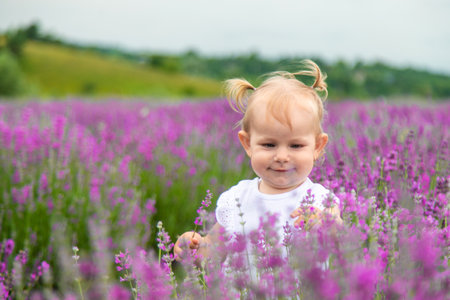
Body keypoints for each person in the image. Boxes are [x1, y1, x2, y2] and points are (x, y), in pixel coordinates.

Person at [174, 60, 342, 262]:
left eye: (295, 146)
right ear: (247, 143)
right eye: (269, 145)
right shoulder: (237, 199)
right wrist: (195, 246)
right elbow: (213, 251)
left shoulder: (320, 200)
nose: (281, 156)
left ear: (317, 147)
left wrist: (328, 225)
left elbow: (343, 243)